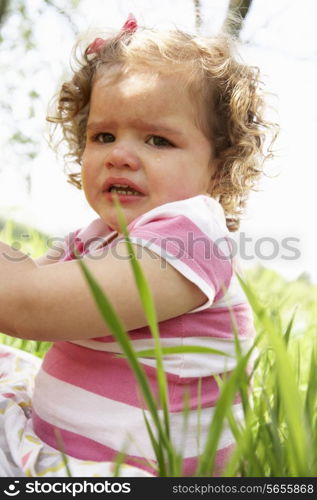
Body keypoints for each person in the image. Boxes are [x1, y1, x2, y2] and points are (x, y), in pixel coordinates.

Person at [0, 14, 276, 477]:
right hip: (53, 445)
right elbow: (30, 285)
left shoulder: (191, 241)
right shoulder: (98, 237)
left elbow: (25, 304)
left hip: (115, 473)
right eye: (103, 136)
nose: (119, 154)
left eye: (158, 140)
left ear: (218, 166)